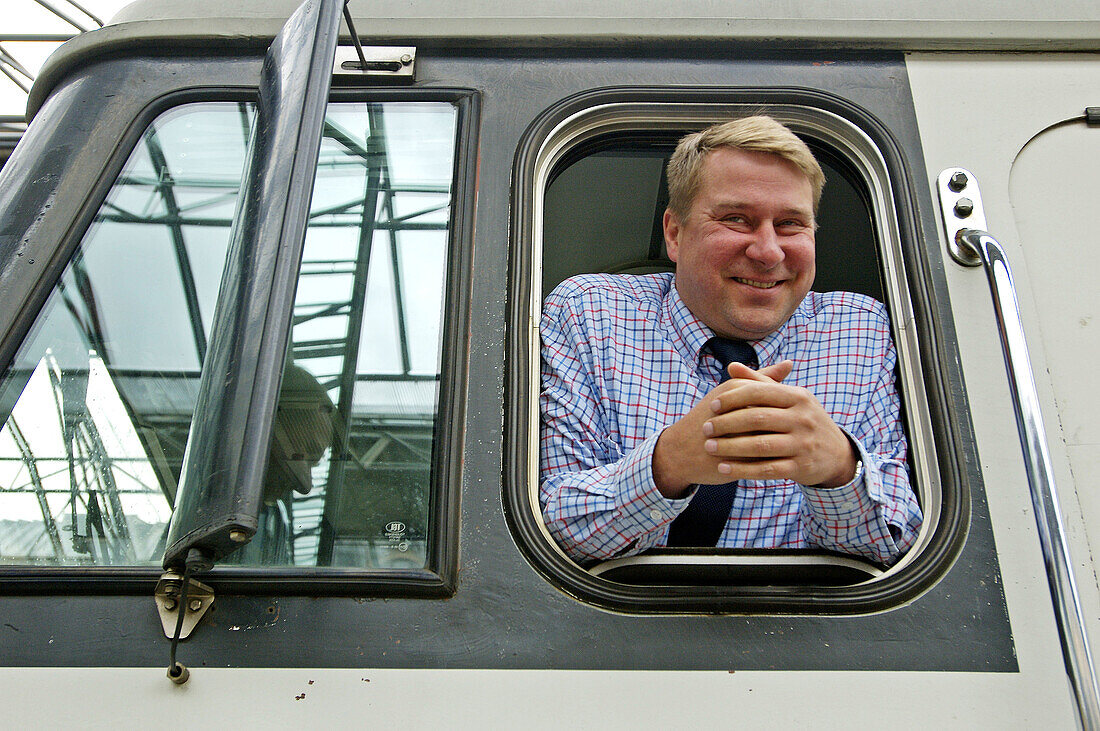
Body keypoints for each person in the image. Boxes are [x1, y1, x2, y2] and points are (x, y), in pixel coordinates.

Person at [539, 115, 922, 566]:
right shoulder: (590, 311)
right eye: (737, 219)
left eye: (790, 224)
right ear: (675, 234)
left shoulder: (861, 328)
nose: (768, 251)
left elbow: (898, 548)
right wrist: (667, 465)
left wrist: (839, 469)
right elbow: (550, 535)